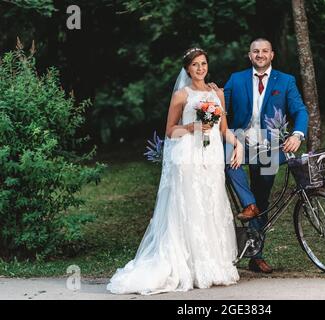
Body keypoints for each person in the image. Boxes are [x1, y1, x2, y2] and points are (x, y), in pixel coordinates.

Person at [107, 48, 243, 295]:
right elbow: (170, 131)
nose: (200, 68)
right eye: (195, 65)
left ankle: (212, 266)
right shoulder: (182, 95)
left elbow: (223, 129)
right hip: (189, 157)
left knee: (210, 206)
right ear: (188, 69)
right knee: (190, 208)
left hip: (211, 158)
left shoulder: (217, 94)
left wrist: (238, 145)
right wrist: (192, 126)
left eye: (203, 64)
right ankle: (189, 268)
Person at [223, 38, 309, 273]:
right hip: (240, 142)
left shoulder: (286, 81)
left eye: (264, 51)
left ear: (272, 55)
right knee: (229, 161)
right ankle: (247, 204)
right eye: (255, 51)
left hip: (269, 147)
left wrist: (297, 135)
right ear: (249, 56)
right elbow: (221, 108)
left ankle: (256, 255)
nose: (260, 55)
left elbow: (300, 110)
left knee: (263, 199)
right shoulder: (236, 79)